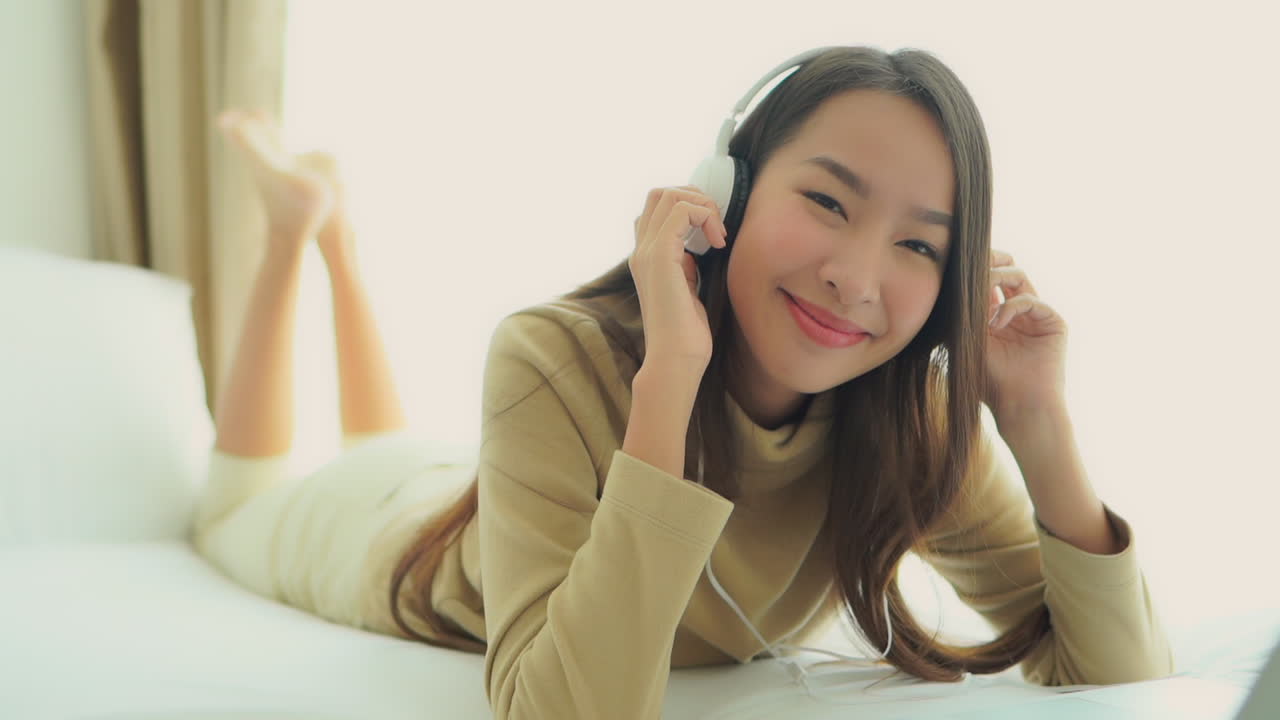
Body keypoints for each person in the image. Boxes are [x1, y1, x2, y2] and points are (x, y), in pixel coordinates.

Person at [193, 46, 1174, 719]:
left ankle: (336, 236)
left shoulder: (903, 422)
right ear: (727, 188)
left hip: (473, 482)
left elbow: (1123, 682)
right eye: (826, 200)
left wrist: (1037, 421)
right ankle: (297, 235)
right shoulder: (554, 354)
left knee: (383, 436)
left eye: (917, 244)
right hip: (385, 529)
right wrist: (671, 374)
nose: (856, 276)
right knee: (231, 508)